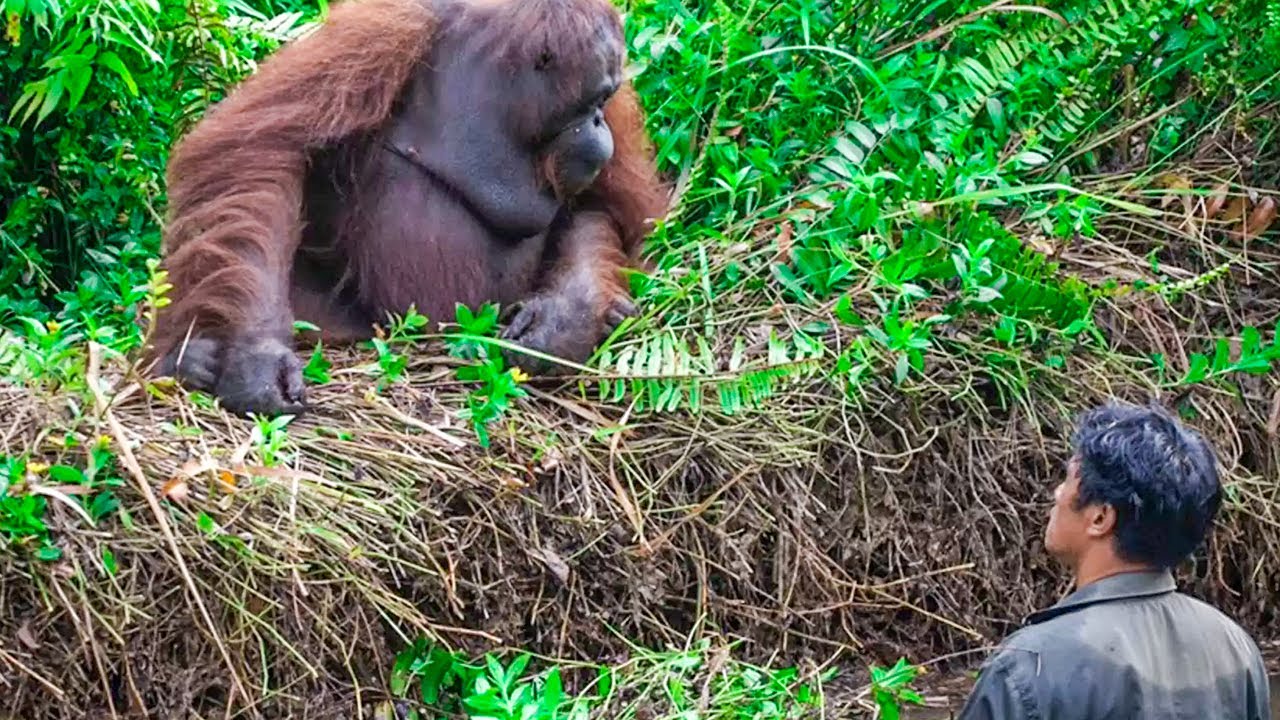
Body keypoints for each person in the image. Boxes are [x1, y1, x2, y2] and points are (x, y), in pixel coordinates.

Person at [956, 400, 1271, 720]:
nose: (1056, 493)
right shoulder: (1237, 650)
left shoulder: (1027, 668)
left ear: (1100, 518)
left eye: (1068, 479)